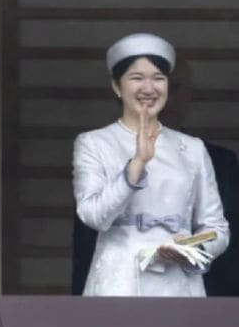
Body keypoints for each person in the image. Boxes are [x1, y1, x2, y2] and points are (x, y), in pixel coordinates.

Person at [73, 32, 229, 296]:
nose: (149, 88)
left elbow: (217, 229)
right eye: (136, 78)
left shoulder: (192, 148)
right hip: (117, 282)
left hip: (180, 286)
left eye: (158, 78)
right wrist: (137, 164)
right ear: (116, 86)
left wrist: (192, 247)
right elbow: (94, 216)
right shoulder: (94, 143)